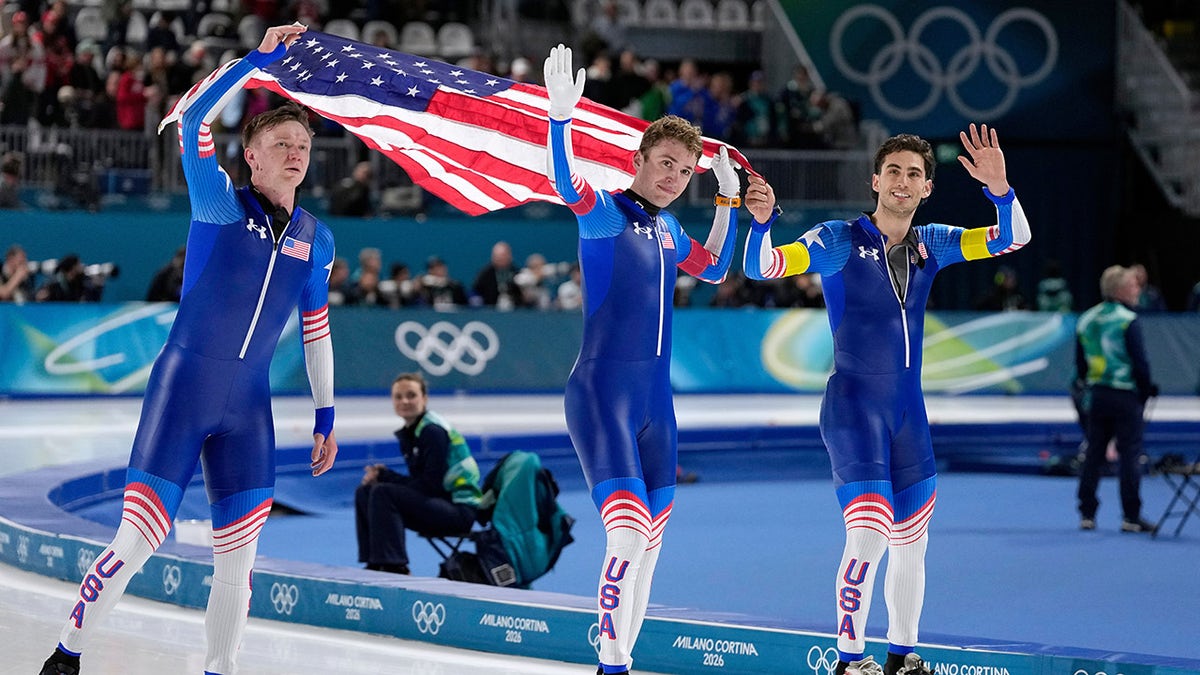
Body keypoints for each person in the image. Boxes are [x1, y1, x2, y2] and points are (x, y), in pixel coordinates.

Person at [39, 24, 340, 675]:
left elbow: (317, 329)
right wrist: (254, 64)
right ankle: (68, 650)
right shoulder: (219, 203)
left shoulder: (319, 239)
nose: (295, 152)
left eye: (303, 145)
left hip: (249, 408)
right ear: (250, 158)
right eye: (279, 143)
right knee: (138, 538)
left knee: (239, 561)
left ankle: (219, 668)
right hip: (184, 390)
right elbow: (193, 119)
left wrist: (325, 415)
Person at [743, 124, 1031, 675]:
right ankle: (850, 661)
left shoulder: (936, 243)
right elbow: (764, 267)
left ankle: (903, 657)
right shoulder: (836, 240)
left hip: (908, 415)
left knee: (913, 543)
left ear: (926, 189)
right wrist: (760, 227)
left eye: (915, 175)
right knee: (870, 531)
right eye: (893, 171)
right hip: (854, 409)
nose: (903, 181)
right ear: (875, 180)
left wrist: (1000, 190)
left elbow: (1012, 238)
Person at [543, 44, 745, 675]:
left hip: (657, 405)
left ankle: (619, 657)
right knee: (627, 536)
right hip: (602, 396)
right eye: (665, 164)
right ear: (639, 160)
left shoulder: (666, 230)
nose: (673, 177)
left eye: (685, 171)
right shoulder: (605, 212)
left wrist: (727, 205)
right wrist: (558, 119)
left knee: (650, 546)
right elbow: (562, 182)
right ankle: (610, 663)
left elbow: (713, 270)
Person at [355, 373, 483, 574]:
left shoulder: (432, 432)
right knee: (365, 492)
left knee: (383, 492)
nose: (404, 401)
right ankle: (373, 562)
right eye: (398, 396)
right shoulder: (411, 432)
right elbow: (421, 484)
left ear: (424, 398)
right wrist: (383, 476)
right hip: (440, 501)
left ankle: (394, 567)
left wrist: (386, 477)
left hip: (459, 511)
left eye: (411, 395)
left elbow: (431, 486)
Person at [1075, 265, 1160, 534]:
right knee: (1130, 455)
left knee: (1094, 454)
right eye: (1133, 286)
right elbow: (1140, 362)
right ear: (1121, 290)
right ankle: (1131, 517)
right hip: (1125, 395)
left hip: (1098, 395)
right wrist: (1146, 390)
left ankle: (1087, 514)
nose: (1138, 290)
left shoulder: (1086, 320)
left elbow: (1080, 367)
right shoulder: (1126, 319)